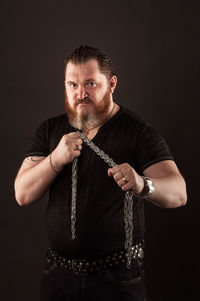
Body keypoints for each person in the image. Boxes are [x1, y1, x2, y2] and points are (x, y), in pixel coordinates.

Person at [14, 45, 187, 301]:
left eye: (90, 84)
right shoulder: (50, 130)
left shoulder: (138, 132)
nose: (80, 93)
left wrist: (142, 184)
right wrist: (55, 159)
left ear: (112, 84)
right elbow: (22, 193)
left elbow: (179, 193)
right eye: (72, 85)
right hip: (58, 276)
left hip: (118, 278)